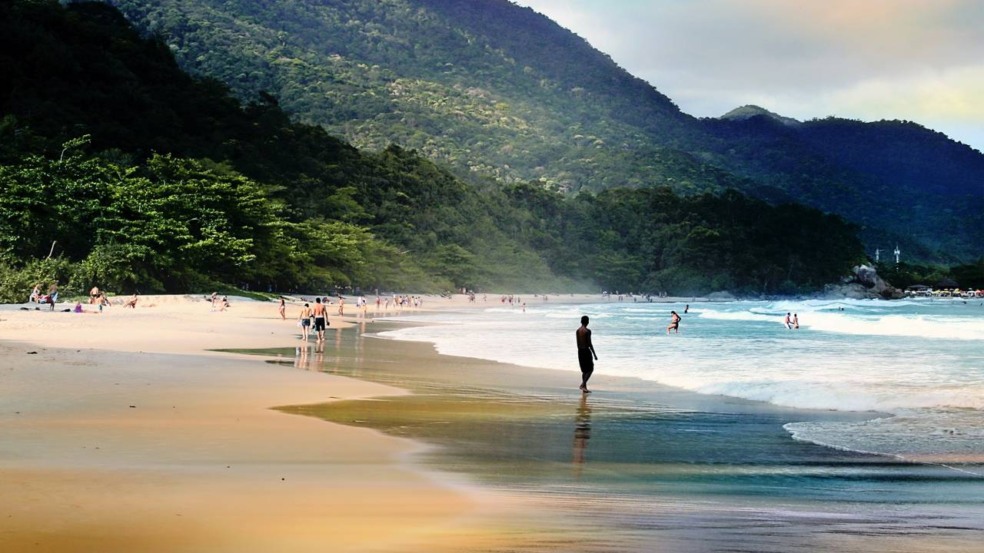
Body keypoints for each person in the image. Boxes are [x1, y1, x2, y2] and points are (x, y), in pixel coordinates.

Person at [576, 315, 598, 393]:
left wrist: (580, 351)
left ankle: (584, 388)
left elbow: (578, 343)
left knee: (584, 370)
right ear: (587, 322)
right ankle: (583, 384)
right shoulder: (587, 331)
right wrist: (594, 354)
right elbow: (590, 344)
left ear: (581, 321)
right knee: (590, 369)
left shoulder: (578, 330)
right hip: (586, 351)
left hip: (580, 351)